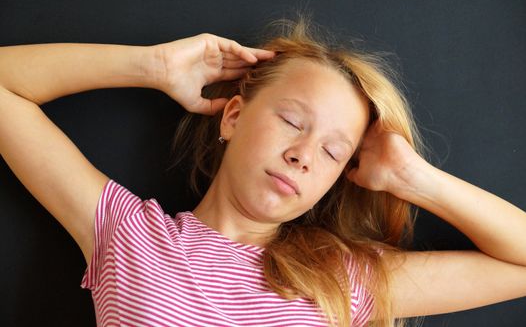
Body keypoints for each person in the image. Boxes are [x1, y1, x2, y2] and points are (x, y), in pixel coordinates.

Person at [0, 16, 525, 327]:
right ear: (233, 116)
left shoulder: (343, 280)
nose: (303, 154)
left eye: (333, 153)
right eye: (293, 122)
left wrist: (411, 178)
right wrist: (152, 68)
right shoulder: (127, 233)